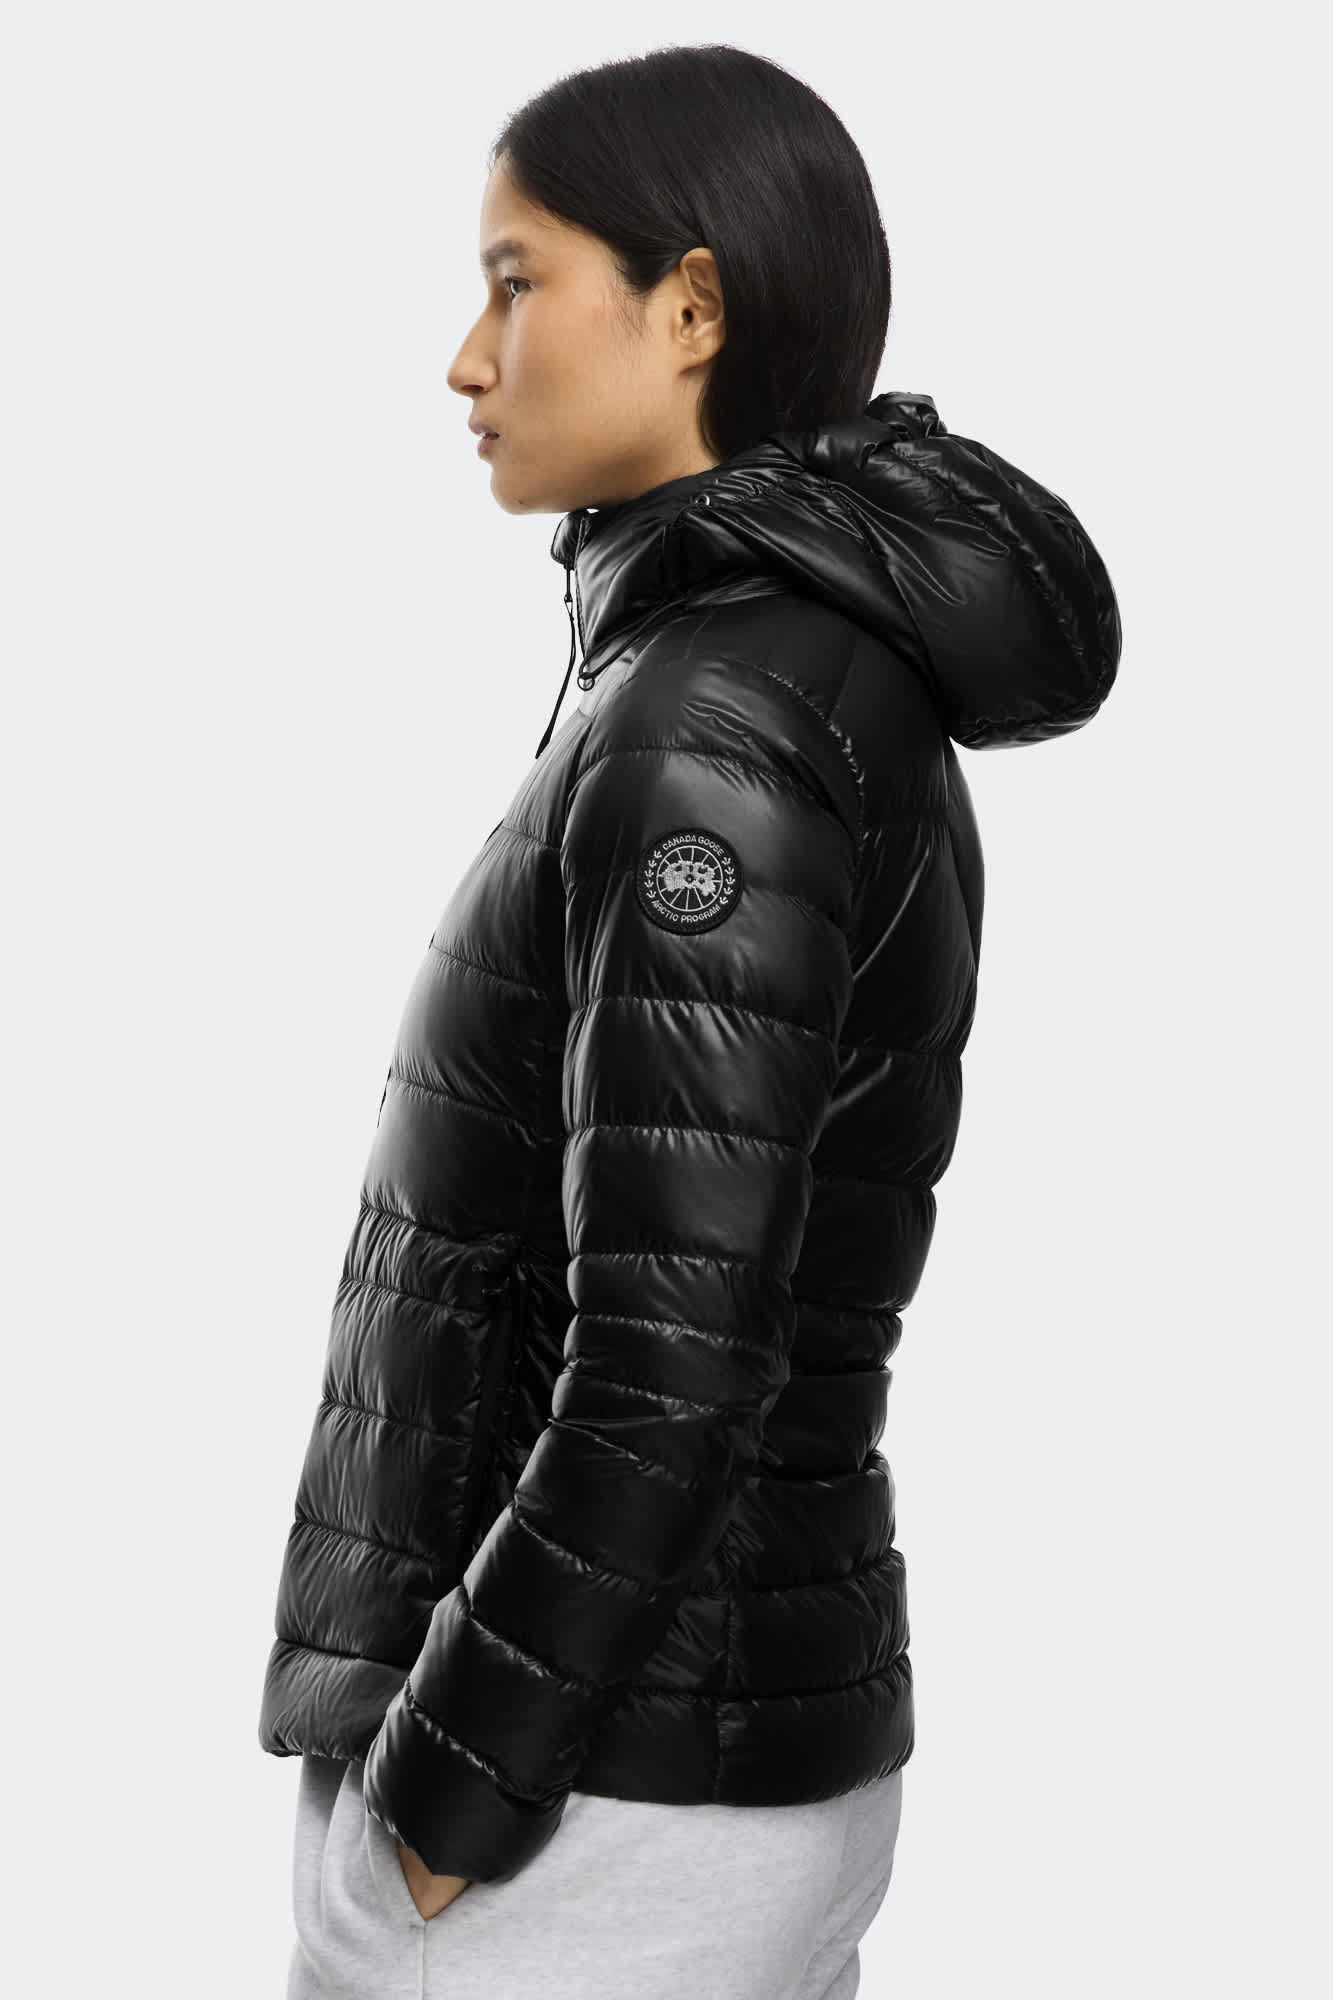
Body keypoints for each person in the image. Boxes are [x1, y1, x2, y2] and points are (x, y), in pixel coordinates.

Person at [258, 41, 1121, 2000]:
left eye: (514, 282)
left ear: (692, 308)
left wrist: (446, 1795)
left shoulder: (718, 720)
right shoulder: (740, 673)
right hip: (662, 1755)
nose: (465, 360)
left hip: (596, 1800)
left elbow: (673, 1348)